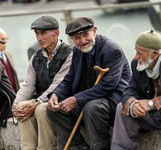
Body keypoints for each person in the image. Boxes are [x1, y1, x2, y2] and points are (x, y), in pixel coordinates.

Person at [46, 16, 131, 150]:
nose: (83, 41)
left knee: (92, 107)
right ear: (72, 39)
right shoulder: (77, 51)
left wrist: (76, 99)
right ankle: (79, 146)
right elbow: (69, 78)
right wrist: (56, 95)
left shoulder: (112, 50)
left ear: (95, 31)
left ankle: (100, 147)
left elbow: (108, 85)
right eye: (77, 38)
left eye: (86, 35)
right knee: (55, 110)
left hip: (114, 100)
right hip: (88, 99)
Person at [12, 15, 73, 150]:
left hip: (62, 100)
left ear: (56, 33)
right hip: (42, 99)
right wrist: (15, 105)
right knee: (22, 106)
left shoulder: (70, 54)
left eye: (43, 33)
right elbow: (28, 85)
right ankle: (28, 148)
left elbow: (58, 84)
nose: (39, 38)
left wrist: (38, 102)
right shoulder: (36, 57)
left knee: (41, 109)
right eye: (37, 33)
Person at [111, 29, 161, 149]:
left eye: (140, 53)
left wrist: (152, 103)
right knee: (122, 107)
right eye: (136, 52)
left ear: (154, 54)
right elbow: (130, 89)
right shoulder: (137, 63)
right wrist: (133, 105)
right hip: (149, 115)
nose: (136, 57)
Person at [0, 27, 20, 93]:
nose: (5, 41)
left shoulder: (8, 54)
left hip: (14, 94)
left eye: (6, 38)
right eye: (2, 39)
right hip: (2, 96)